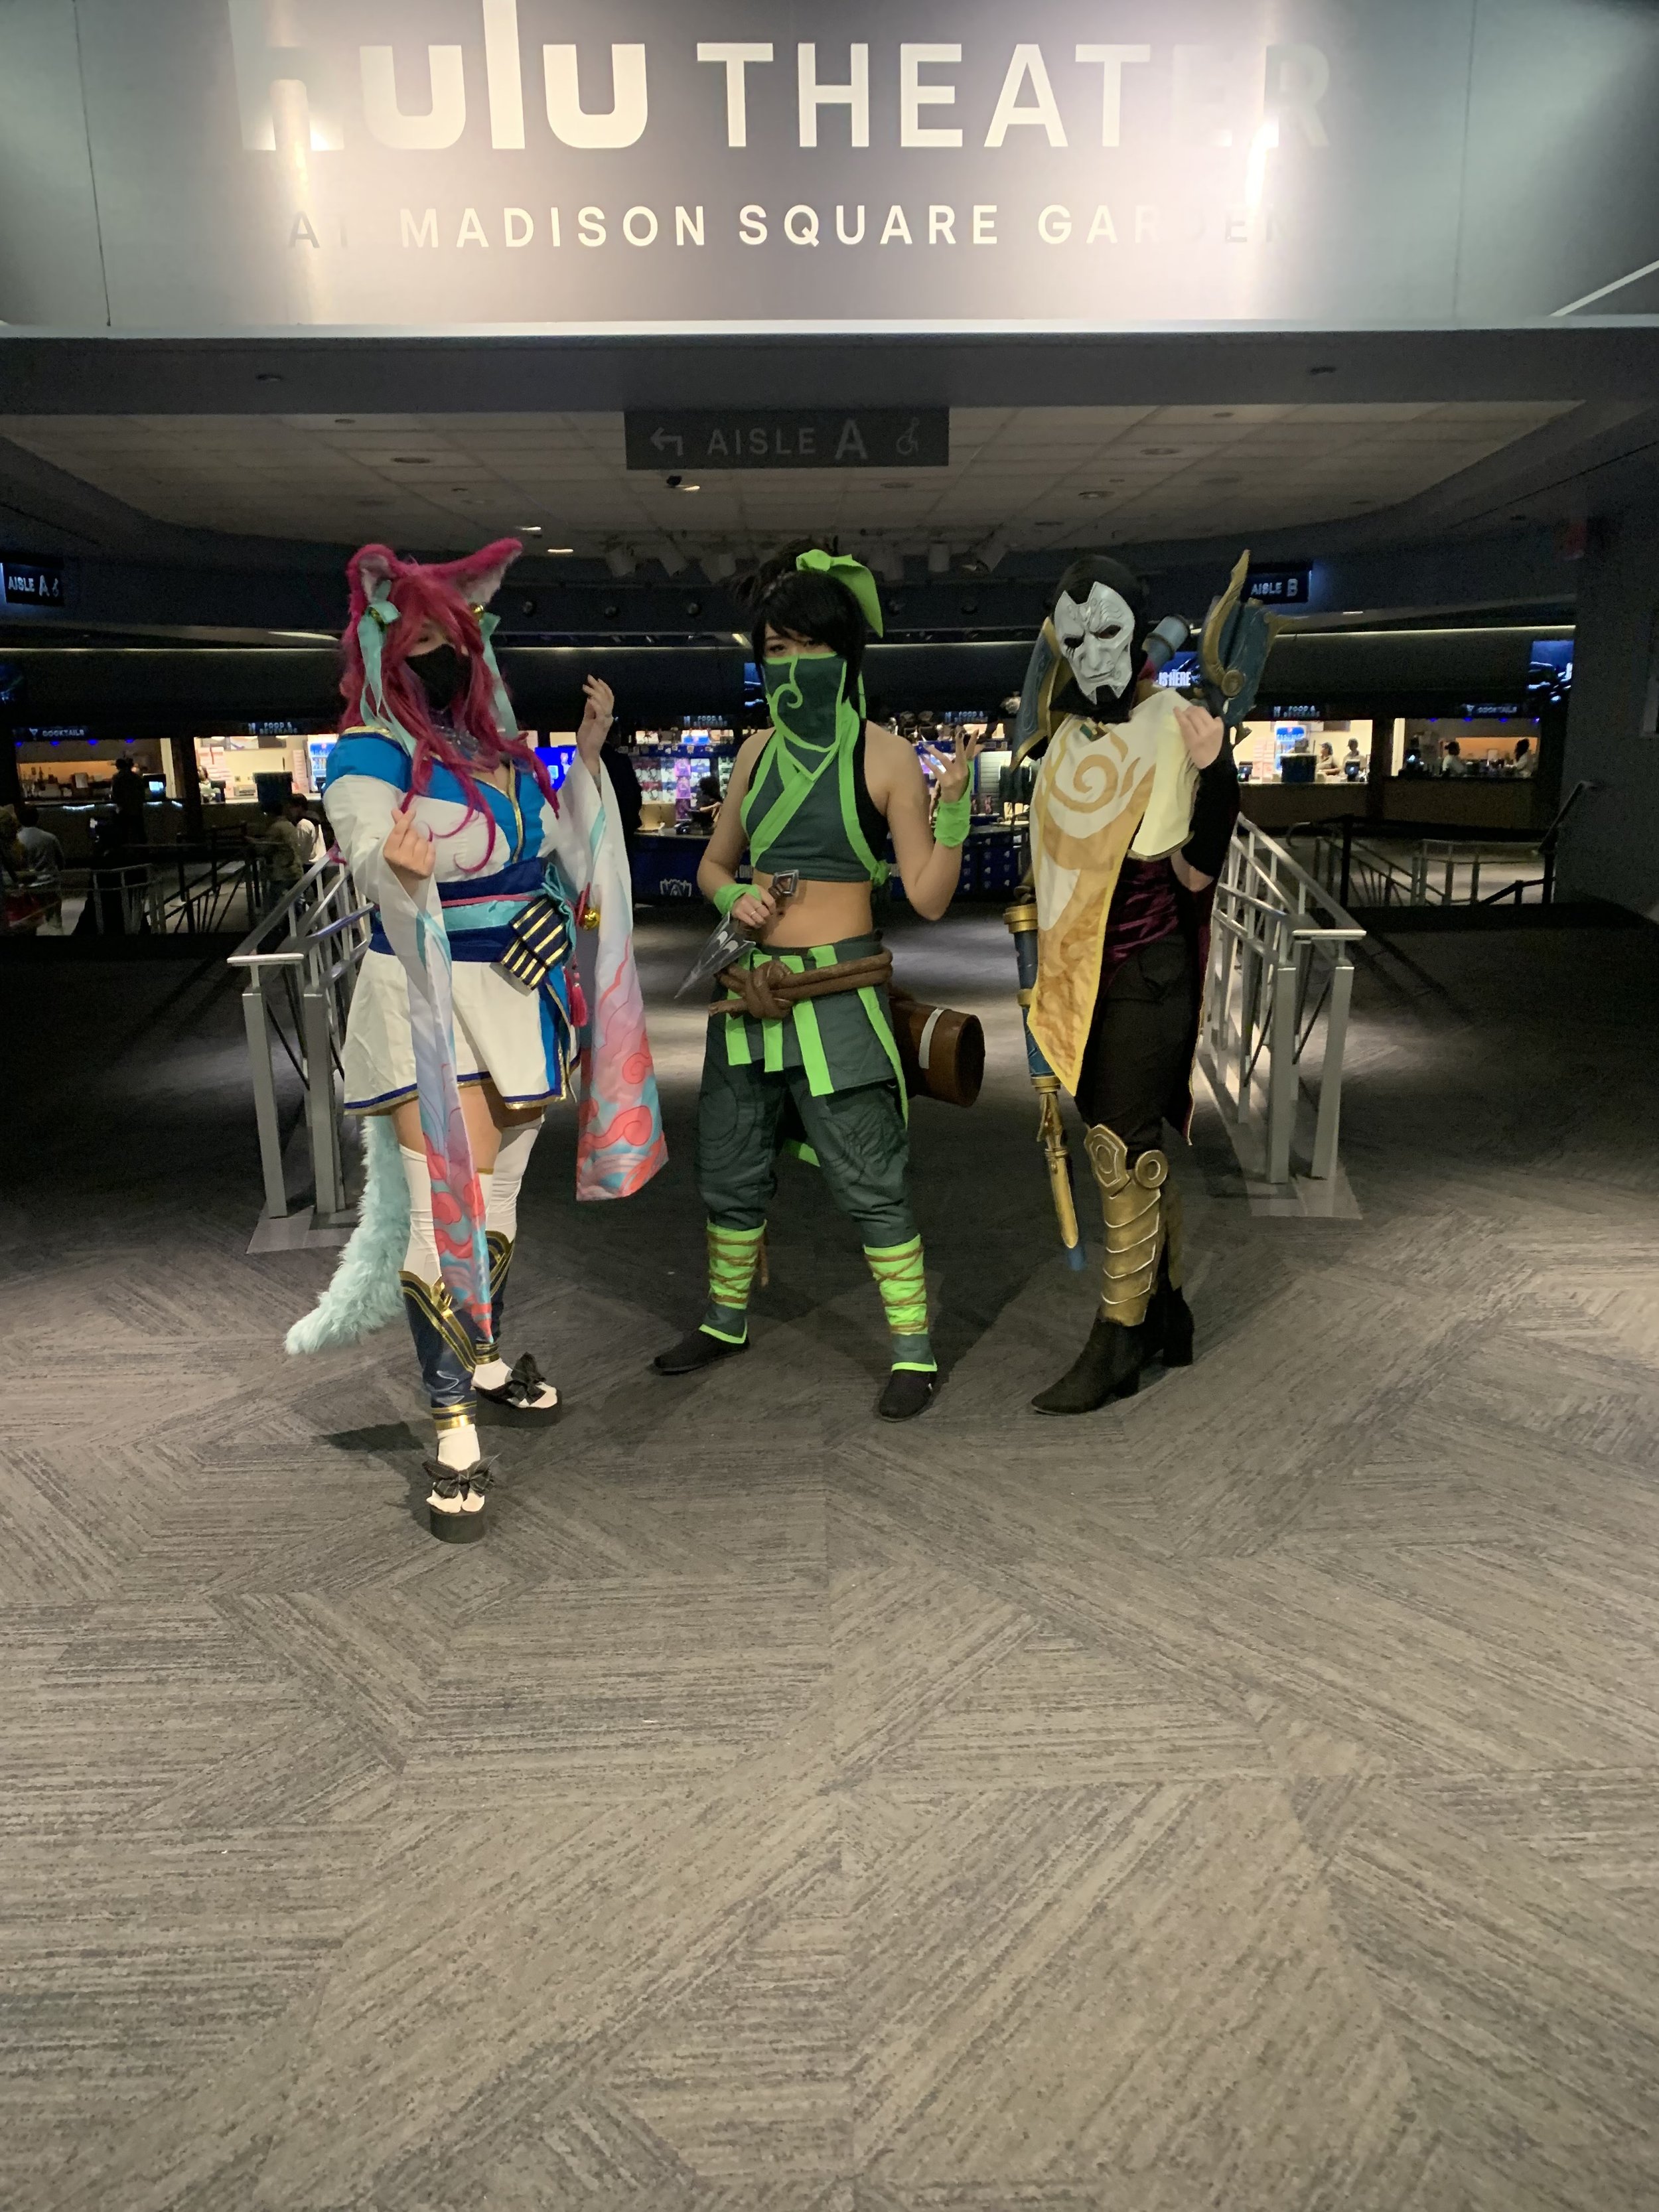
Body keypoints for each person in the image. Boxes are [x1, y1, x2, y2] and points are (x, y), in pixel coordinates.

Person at [286, 538, 665, 1540]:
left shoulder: (498, 756)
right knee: (442, 1212)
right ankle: (452, 1422)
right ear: (381, 650)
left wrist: (585, 763)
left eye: (454, 638)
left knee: (494, 1203)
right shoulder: (367, 753)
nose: (443, 659)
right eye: (420, 641)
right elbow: (368, 848)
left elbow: (553, 848)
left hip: (524, 1001)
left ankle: (484, 1355)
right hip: (431, 1003)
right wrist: (395, 868)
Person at [652, 545, 980, 1420]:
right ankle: (724, 1320)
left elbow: (931, 895)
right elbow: (713, 868)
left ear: (847, 656)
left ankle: (912, 1348)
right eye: (776, 651)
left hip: (839, 998)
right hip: (748, 994)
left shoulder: (884, 758)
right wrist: (737, 896)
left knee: (871, 1174)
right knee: (730, 1160)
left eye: (807, 649)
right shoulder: (754, 755)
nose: (790, 668)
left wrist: (952, 810)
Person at [1017, 554, 1237, 1415]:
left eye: (1109, 633)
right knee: (1130, 1141)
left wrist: (1215, 774)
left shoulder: (1174, 721)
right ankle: (1169, 1311)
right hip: (1081, 978)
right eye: (1076, 640)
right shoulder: (1068, 737)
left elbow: (1191, 875)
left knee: (1116, 1150)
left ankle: (1120, 1333)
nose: (1094, 655)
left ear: (1139, 633)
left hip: (1147, 974)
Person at [246, 794, 306, 901]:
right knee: (296, 901)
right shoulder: (288, 824)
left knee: (275, 903)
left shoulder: (276, 827)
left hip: (282, 872)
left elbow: (264, 849)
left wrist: (253, 844)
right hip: (295, 869)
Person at [602, 729, 643, 848]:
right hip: (623, 826)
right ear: (613, 736)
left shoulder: (587, 761)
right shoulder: (620, 761)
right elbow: (634, 793)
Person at [108, 756, 149, 846]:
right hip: (137, 809)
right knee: (140, 833)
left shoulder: (117, 777)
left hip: (124, 810)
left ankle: (126, 854)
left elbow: (114, 794)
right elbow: (142, 793)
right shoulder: (136, 777)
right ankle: (144, 852)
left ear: (118, 767)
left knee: (124, 835)